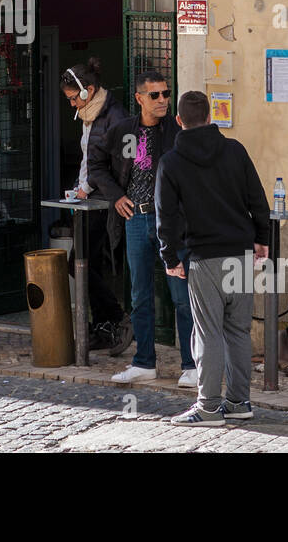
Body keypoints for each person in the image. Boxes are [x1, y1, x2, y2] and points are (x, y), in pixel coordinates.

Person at [157, 91, 270, 426]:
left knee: (207, 333)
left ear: (179, 121)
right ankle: (239, 402)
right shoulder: (235, 151)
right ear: (210, 117)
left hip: (205, 258)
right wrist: (262, 240)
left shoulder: (171, 162)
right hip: (240, 254)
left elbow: (166, 217)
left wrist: (170, 255)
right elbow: (258, 200)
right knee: (238, 331)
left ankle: (208, 408)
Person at [89, 70, 196, 386]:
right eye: (155, 95)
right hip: (136, 220)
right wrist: (116, 196)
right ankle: (144, 362)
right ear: (139, 99)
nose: (163, 100)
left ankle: (191, 365)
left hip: (171, 225)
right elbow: (96, 163)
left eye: (165, 94)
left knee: (180, 295)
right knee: (140, 295)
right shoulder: (123, 131)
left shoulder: (177, 133)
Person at [60, 58, 132, 355]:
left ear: (89, 90)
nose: (73, 104)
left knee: (80, 262)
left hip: (104, 200)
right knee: (88, 263)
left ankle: (115, 316)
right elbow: (88, 160)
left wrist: (86, 188)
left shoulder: (114, 117)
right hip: (89, 197)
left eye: (74, 98)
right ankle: (103, 325)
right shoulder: (91, 114)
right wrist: (80, 188)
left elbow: (113, 165)